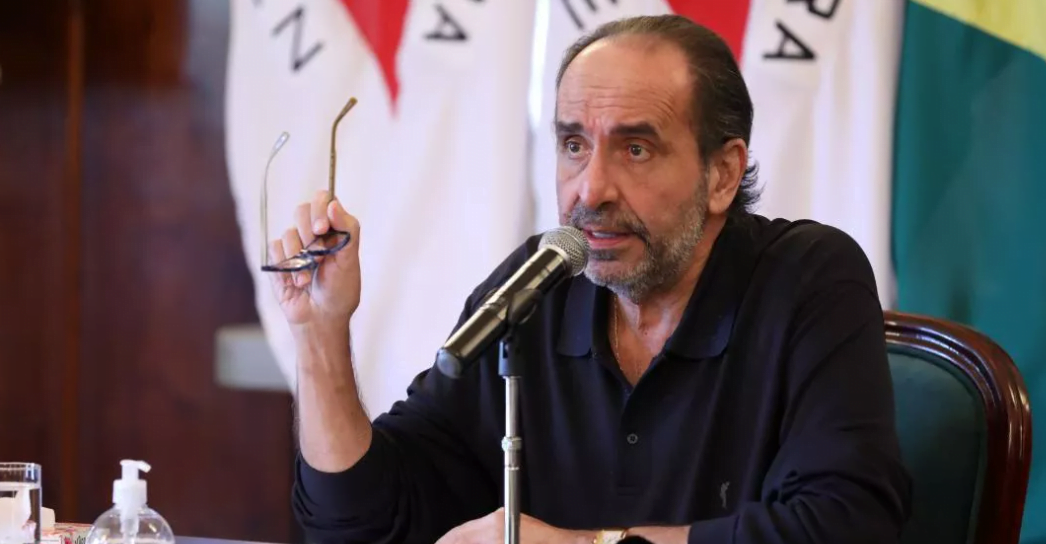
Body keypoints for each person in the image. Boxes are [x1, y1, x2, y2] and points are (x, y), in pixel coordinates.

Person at [272, 15, 912, 544]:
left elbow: (847, 524)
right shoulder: (536, 289)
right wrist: (320, 333)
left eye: (636, 149)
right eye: (574, 146)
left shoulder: (810, 280)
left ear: (722, 174)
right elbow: (360, 523)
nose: (591, 189)